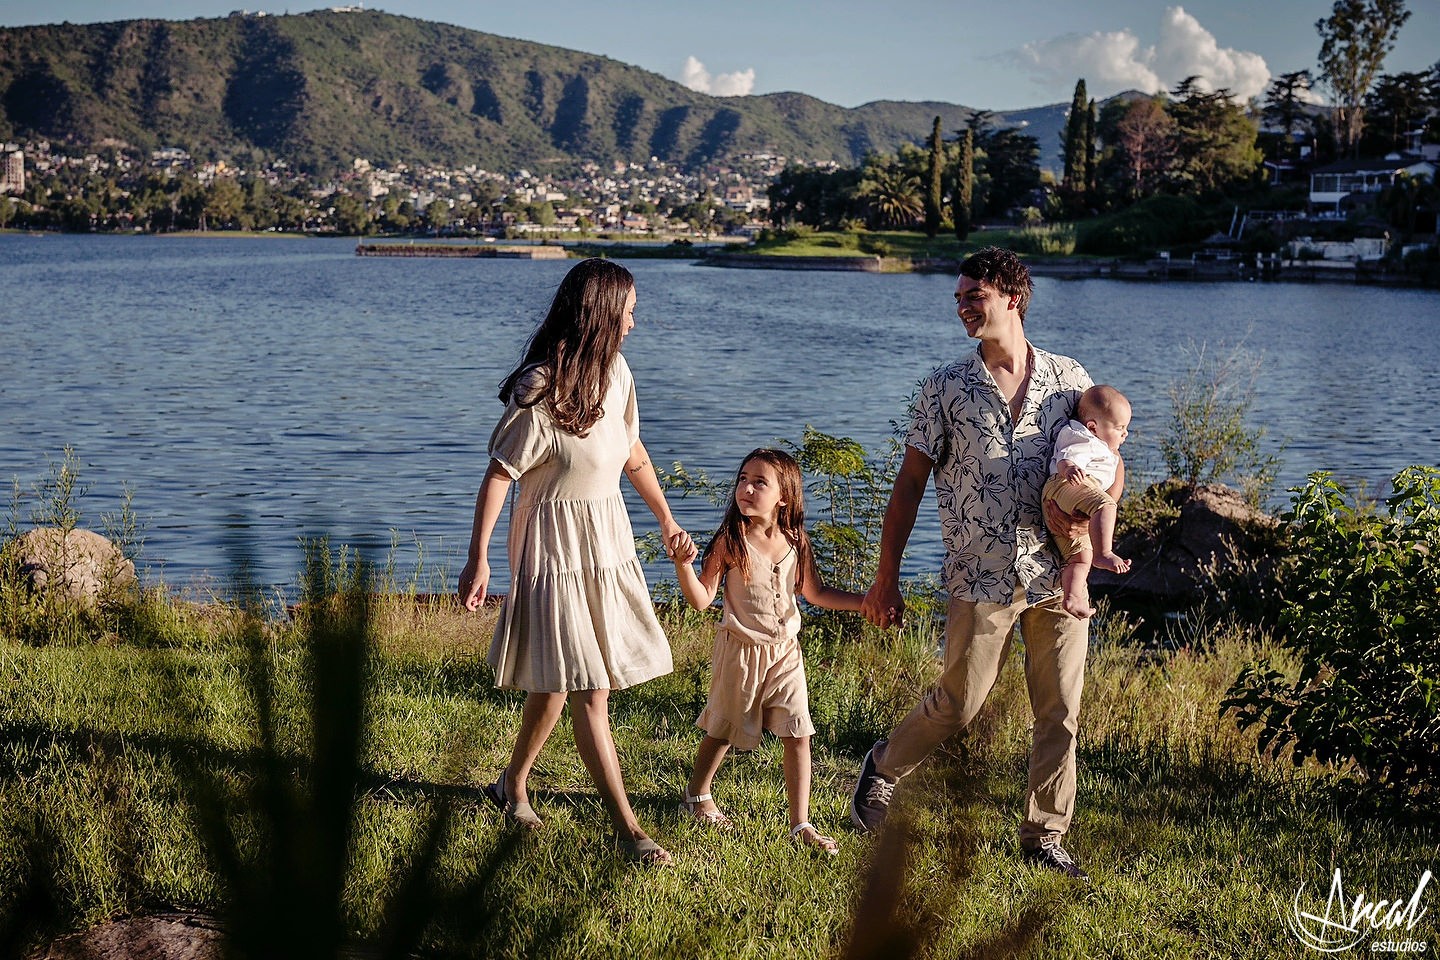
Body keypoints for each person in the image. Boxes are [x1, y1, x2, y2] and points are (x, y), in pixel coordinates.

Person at [850, 246, 1095, 880]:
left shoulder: (1071, 382)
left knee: (1061, 710)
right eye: (958, 297)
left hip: (1054, 570)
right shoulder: (944, 388)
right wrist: (886, 575)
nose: (961, 307)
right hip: (978, 574)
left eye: (973, 297)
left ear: (1013, 298)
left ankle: (1045, 834)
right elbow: (907, 487)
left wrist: (1091, 532)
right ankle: (882, 768)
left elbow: (1105, 465)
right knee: (959, 704)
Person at [458, 258, 692, 868]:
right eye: (629, 311)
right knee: (590, 688)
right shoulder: (539, 389)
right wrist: (479, 559)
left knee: (560, 685)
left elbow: (631, 449)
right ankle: (630, 831)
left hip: (605, 540)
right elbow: (499, 475)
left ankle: (510, 785)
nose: (635, 324)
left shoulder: (616, 373)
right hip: (553, 548)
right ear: (601, 314)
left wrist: (665, 519)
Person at [670, 448, 863, 855]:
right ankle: (697, 793)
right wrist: (683, 566)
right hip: (741, 651)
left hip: (785, 653)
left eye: (760, 482)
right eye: (742, 479)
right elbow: (702, 599)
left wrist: (866, 602)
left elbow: (815, 593)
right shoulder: (731, 541)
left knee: (798, 731)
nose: (747, 488)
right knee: (723, 728)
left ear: (783, 497)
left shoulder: (796, 542)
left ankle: (801, 824)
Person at [1043, 384, 1132, 619]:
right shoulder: (1082, 436)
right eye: (1120, 428)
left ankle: (1072, 598)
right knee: (1106, 505)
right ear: (1093, 426)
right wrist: (1069, 468)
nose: (1125, 434)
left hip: (1075, 496)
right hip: (1064, 485)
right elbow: (1065, 456)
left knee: (1081, 558)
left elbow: (1116, 466)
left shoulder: (1104, 445)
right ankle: (1105, 552)